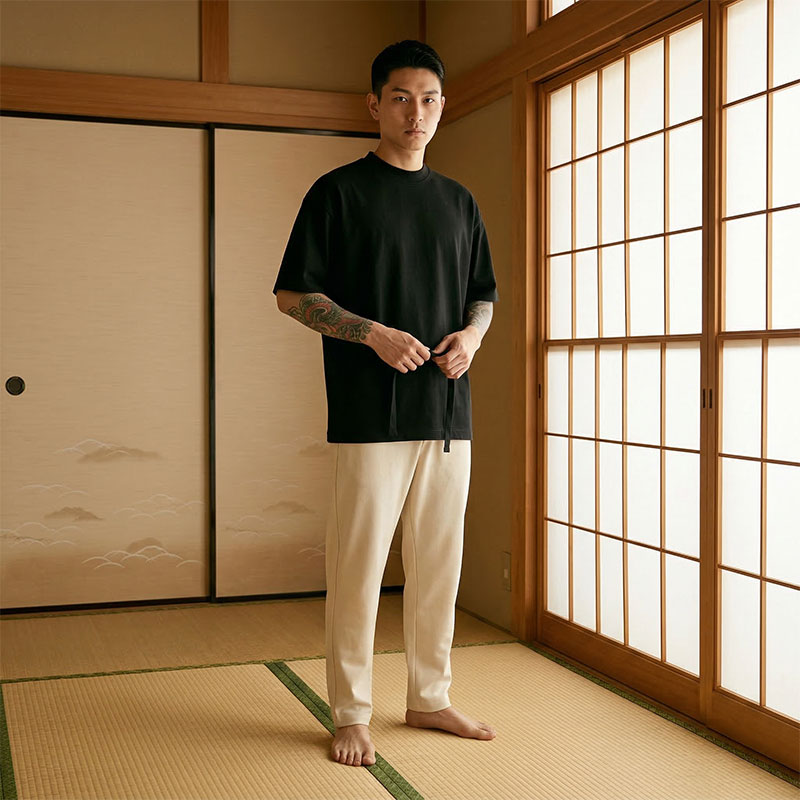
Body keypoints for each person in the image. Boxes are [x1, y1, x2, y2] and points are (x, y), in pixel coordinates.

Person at [272, 39, 499, 768]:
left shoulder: (459, 200)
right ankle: (350, 712)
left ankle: (430, 697)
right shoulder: (338, 192)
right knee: (360, 564)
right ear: (375, 105)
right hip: (370, 415)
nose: (416, 112)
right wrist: (368, 333)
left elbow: (484, 297)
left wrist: (471, 336)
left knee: (440, 564)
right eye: (401, 97)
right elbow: (292, 294)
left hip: (447, 416)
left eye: (429, 98)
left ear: (442, 107)